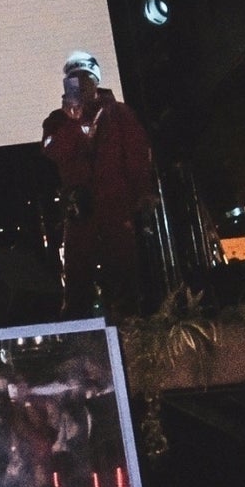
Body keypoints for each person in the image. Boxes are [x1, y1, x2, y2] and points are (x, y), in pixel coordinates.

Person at [40, 51, 156, 317]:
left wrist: (143, 194)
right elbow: (52, 151)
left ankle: (129, 327)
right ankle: (78, 331)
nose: (79, 84)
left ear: (96, 80)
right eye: (73, 79)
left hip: (115, 207)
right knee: (77, 279)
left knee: (124, 275)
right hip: (80, 211)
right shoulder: (57, 120)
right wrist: (72, 121)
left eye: (85, 78)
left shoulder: (119, 114)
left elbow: (138, 156)